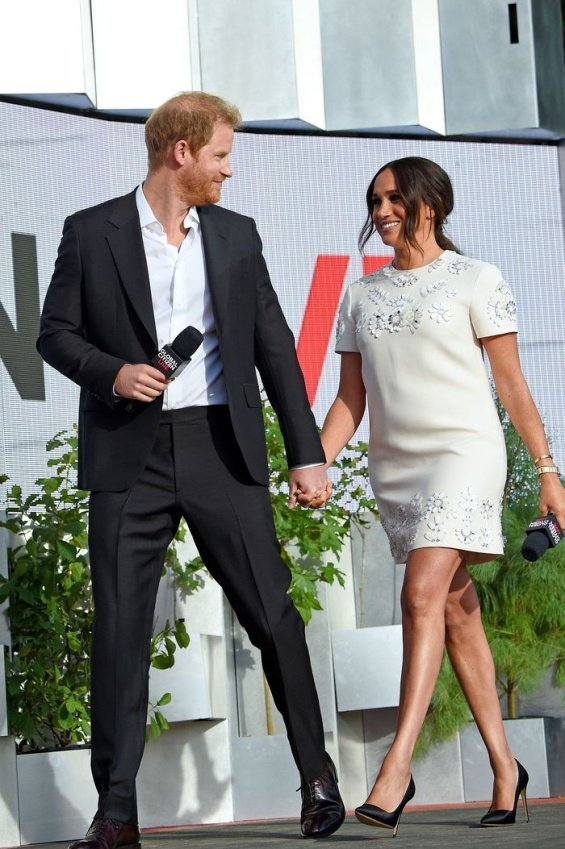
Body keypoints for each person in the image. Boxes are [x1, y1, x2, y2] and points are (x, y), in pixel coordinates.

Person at [37, 91, 344, 849]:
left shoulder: (236, 237)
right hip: (127, 454)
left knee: (273, 613)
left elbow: (274, 344)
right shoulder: (91, 230)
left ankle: (318, 781)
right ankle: (116, 815)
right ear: (181, 152)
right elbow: (53, 333)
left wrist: (306, 452)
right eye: (219, 155)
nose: (227, 171)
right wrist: (112, 373)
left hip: (221, 447)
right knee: (119, 634)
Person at [319, 156, 565, 835]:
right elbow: (349, 398)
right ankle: (504, 767)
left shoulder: (475, 278)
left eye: (394, 197)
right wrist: (313, 462)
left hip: (464, 453)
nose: (381, 210)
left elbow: (511, 385)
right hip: (397, 467)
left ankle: (395, 766)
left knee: (421, 594)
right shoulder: (359, 296)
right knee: (456, 612)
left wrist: (547, 471)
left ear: (430, 202)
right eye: (373, 199)